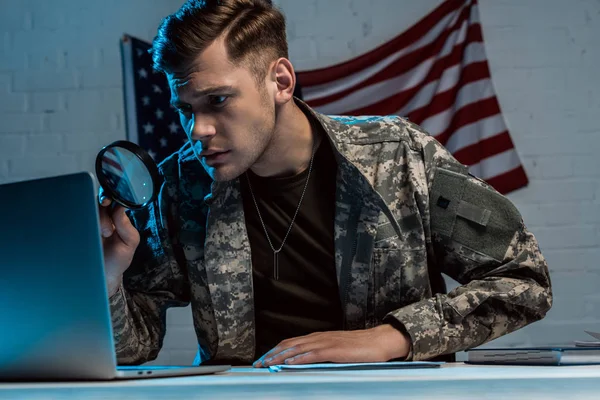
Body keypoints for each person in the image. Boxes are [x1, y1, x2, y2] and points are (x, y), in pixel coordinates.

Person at [99, 0, 552, 368]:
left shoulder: (399, 154)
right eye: (185, 108)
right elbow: (134, 347)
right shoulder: (181, 185)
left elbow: (524, 279)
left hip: (394, 393)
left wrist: (391, 337)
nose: (197, 130)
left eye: (217, 100)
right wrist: (109, 277)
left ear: (280, 81)